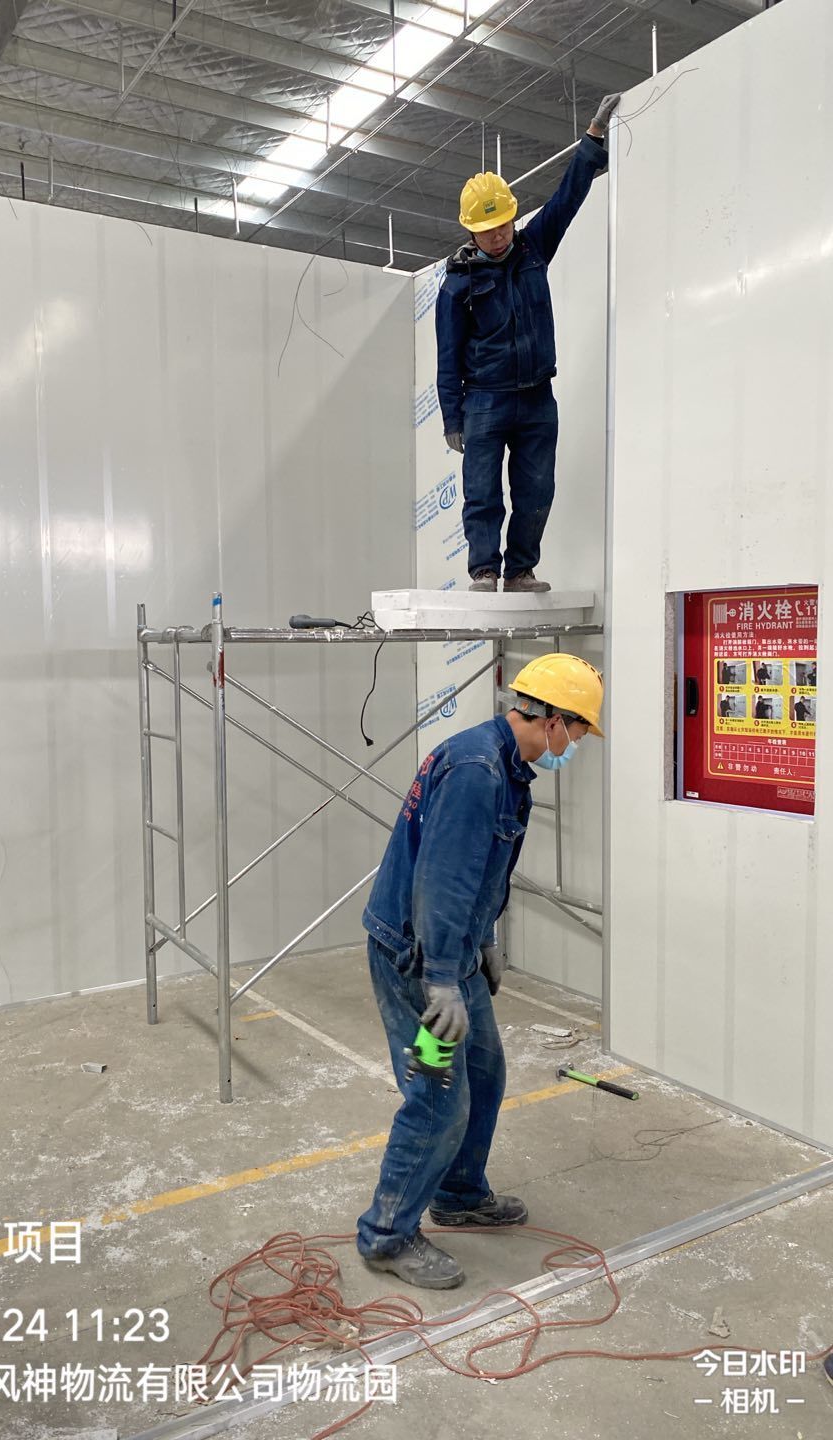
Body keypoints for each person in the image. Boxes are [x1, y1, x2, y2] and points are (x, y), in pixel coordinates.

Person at [356, 654, 605, 1288]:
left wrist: (484, 938)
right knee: (439, 1098)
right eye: (578, 730)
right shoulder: (477, 771)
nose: (576, 745)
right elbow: (441, 881)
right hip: (420, 961)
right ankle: (386, 1235)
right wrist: (441, 980)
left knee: (486, 1074)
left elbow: (480, 871)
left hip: (453, 954)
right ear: (553, 719)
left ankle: (459, 1194)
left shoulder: (505, 765)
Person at [436, 95, 620, 595]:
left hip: (537, 396)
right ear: (470, 230)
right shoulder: (457, 285)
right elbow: (448, 358)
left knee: (537, 490)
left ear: (513, 218)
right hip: (485, 400)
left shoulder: (534, 247)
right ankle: (483, 571)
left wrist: (593, 140)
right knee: (482, 492)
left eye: (503, 224)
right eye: (486, 229)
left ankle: (520, 571)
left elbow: (566, 198)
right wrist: (452, 419)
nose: (498, 236)